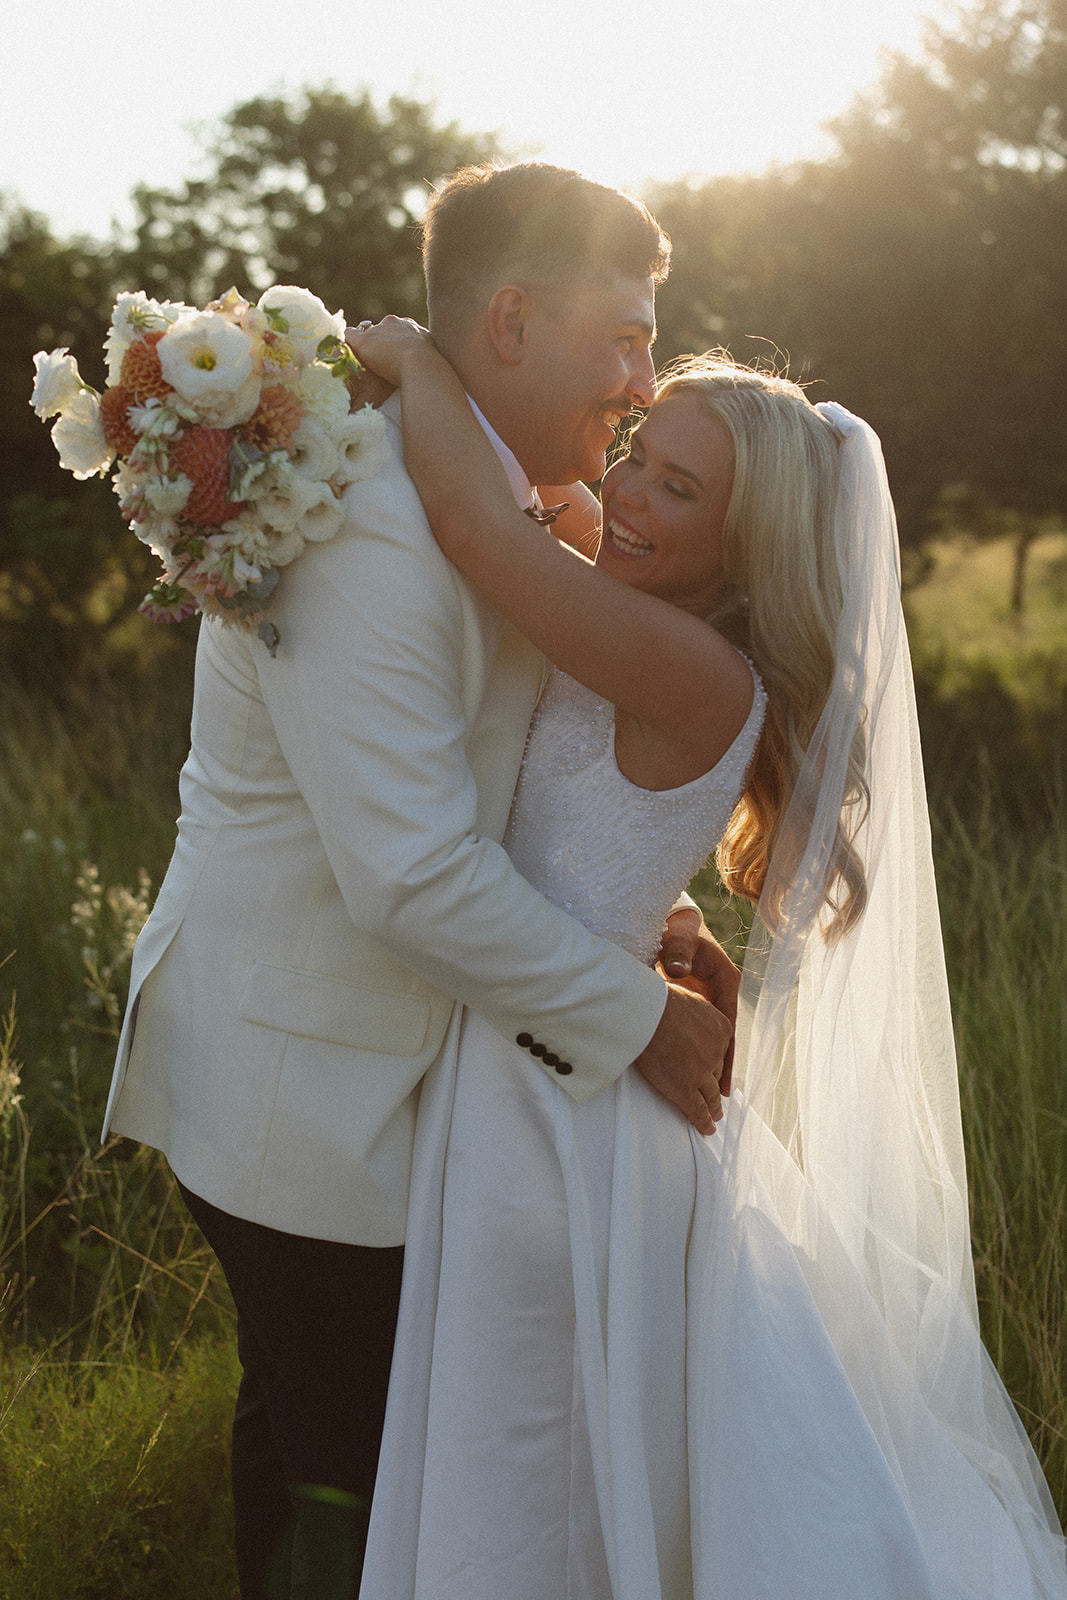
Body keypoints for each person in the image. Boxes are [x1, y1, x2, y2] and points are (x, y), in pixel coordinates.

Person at [345, 319, 1067, 1599]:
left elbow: (475, 523)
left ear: (743, 546)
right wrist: (663, 926)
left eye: (676, 488)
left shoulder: (682, 660)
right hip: (556, 1050)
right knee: (543, 1438)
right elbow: (545, 523)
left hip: (556, 1107)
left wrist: (413, 359)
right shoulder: (637, 606)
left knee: (532, 1449)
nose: (622, 491)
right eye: (636, 451)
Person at [99, 164, 741, 1600]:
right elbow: (409, 876)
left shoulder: (479, 498)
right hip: (299, 1096)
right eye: (624, 335)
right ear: (509, 320)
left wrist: (653, 915)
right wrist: (641, 1023)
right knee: (359, 1481)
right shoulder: (379, 529)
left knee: (314, 1453)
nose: (641, 380)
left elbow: (493, 769)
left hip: (374, 1074)